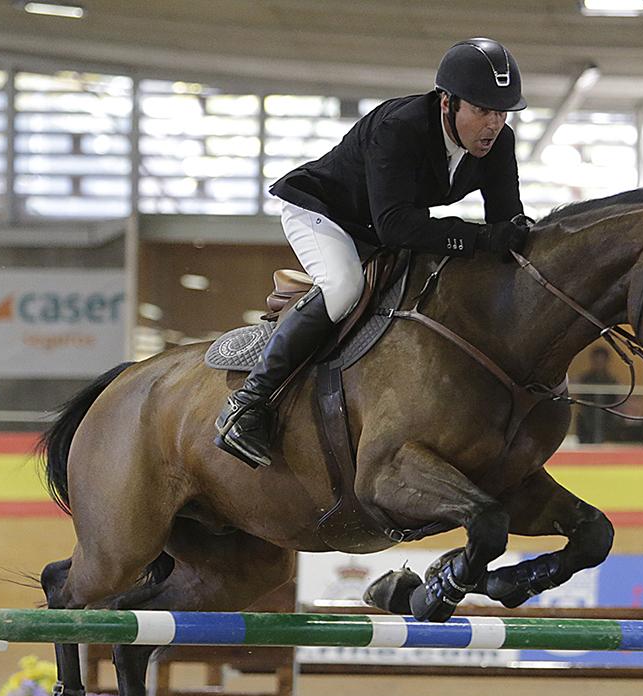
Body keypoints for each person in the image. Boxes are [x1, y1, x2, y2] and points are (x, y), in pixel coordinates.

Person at [214, 38, 534, 468]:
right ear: (447, 102)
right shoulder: (400, 128)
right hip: (322, 212)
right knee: (345, 288)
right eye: (481, 110)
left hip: (378, 227)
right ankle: (247, 404)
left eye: (501, 112)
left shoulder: (499, 144)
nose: (493, 124)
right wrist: (478, 239)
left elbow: (507, 223)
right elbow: (397, 225)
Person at [573, 345, 619, 445]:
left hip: (606, 420)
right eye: (597, 360)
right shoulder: (584, 379)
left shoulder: (612, 381)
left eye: (602, 360)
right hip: (586, 419)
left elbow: (615, 401)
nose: (599, 363)